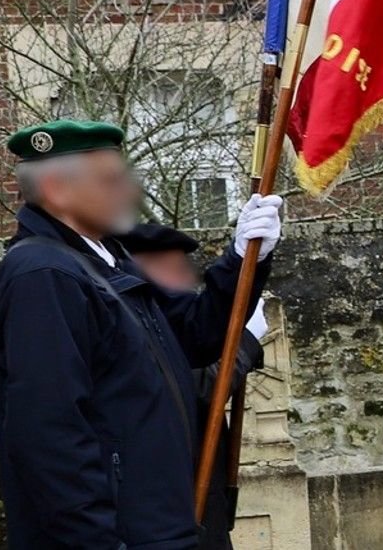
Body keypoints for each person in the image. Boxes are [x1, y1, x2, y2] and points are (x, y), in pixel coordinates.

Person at [0, 120, 283, 549]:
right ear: (55, 188)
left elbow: (195, 337)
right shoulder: (44, 274)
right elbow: (52, 438)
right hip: (127, 536)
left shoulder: (109, 260)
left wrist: (242, 259)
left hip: (165, 525)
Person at [117, 224, 267, 550]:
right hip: (173, 495)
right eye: (170, 267)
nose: (183, 276)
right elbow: (200, 384)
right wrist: (246, 341)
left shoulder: (177, 310)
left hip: (206, 485)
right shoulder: (140, 316)